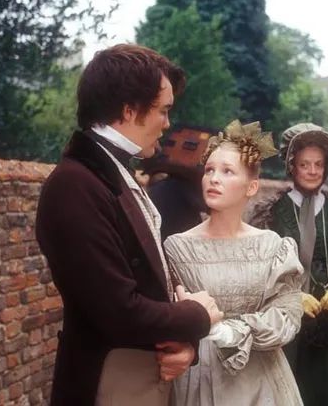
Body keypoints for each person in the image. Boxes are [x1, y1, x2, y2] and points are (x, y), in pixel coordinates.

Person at [35, 44, 223, 406]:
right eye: (163, 110)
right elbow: (117, 311)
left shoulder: (113, 175)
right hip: (110, 381)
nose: (167, 124)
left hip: (142, 375)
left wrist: (186, 345)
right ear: (129, 109)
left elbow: (154, 284)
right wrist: (197, 316)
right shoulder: (74, 184)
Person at [165, 120, 305, 406]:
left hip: (262, 383)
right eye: (209, 170)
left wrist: (232, 330)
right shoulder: (178, 248)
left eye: (227, 171)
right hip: (199, 378)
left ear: (251, 187)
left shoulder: (272, 247)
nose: (213, 178)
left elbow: (287, 316)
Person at [249, 123, 328, 406]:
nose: (312, 171)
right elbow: (257, 267)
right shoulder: (270, 212)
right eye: (305, 164)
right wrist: (291, 295)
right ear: (292, 166)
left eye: (319, 164)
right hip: (286, 320)